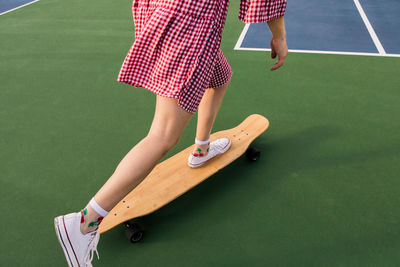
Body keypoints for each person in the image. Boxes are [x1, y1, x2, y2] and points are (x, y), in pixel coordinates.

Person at [54, 0, 288, 266]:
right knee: (163, 135)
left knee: (220, 76)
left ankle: (201, 150)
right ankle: (83, 224)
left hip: (170, 13)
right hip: (189, 23)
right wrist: (279, 36)